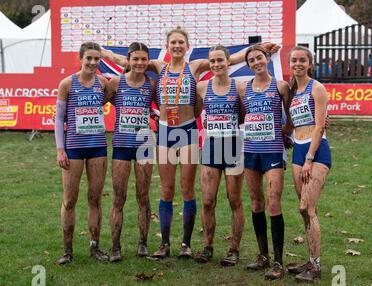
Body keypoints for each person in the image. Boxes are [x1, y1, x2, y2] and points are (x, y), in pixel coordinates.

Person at [101, 28, 279, 258]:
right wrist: (103, 52)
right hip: (165, 132)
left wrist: (259, 48)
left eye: (180, 43)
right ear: (167, 46)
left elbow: (230, 59)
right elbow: (124, 59)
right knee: (166, 191)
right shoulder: (156, 65)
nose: (176, 46)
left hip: (187, 132)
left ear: (186, 46)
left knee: (187, 190)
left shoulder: (194, 66)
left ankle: (186, 244)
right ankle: (164, 244)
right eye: (173, 42)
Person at [239, 44, 293, 280]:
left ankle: (279, 262)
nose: (256, 62)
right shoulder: (245, 89)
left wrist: (285, 132)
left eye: (259, 57)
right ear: (248, 64)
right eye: (251, 60)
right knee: (256, 202)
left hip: (272, 151)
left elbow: (291, 116)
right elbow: (243, 116)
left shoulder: (281, 86)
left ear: (267, 59)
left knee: (273, 203)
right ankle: (263, 256)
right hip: (251, 151)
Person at [54, 42, 109, 264]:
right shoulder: (67, 84)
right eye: (89, 58)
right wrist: (60, 149)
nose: (93, 63)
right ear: (81, 59)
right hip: (74, 148)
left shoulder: (103, 83)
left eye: (97, 59)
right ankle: (67, 251)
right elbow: (59, 119)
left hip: (97, 147)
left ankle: (95, 247)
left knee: (95, 198)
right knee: (69, 200)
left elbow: (104, 102)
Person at [192, 45, 244, 266]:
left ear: (228, 61)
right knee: (207, 200)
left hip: (233, 147)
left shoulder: (239, 87)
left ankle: (234, 249)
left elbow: (244, 114)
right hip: (211, 148)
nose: (216, 65)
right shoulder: (202, 87)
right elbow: (194, 112)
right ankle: (208, 246)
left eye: (220, 60)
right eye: (212, 61)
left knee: (234, 200)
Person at [105, 42, 156, 262]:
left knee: (143, 197)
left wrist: (154, 116)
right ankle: (115, 247)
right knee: (119, 197)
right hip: (122, 147)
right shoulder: (116, 82)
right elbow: (98, 102)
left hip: (144, 146)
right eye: (135, 59)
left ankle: (143, 243)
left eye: (144, 59)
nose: (139, 63)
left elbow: (161, 108)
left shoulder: (151, 85)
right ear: (129, 60)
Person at [286, 46, 331, 282]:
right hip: (298, 149)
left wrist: (309, 158)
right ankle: (310, 260)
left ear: (309, 64)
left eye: (302, 60)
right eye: (294, 60)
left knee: (307, 208)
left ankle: (316, 267)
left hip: (316, 151)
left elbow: (320, 125)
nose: (298, 64)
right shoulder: (293, 90)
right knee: (303, 210)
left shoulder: (317, 88)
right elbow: (293, 123)